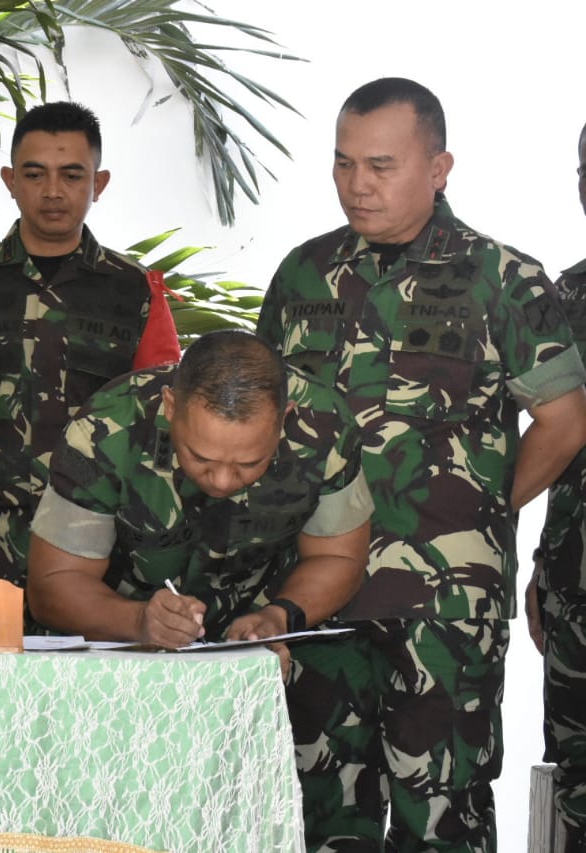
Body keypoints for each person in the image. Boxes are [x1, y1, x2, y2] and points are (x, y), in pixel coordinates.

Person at [257, 78, 586, 851]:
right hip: (315, 596)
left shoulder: (502, 278)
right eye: (342, 164)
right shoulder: (304, 275)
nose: (356, 186)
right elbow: (264, 418)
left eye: (380, 165)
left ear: (439, 167)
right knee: (320, 802)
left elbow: (564, 422)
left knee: (441, 810)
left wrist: (480, 507)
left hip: (443, 605)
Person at [0, 101, 180, 595]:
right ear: (9, 180)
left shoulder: (134, 291)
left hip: (94, 544)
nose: (52, 192)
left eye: (71, 175)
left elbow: (166, 425)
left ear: (99, 183)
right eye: (34, 173)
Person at [26, 330, 370, 651]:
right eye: (200, 457)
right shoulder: (106, 427)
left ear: (284, 420)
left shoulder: (325, 428)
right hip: (117, 639)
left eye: (248, 464)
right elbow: (53, 584)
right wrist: (139, 622)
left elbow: (338, 556)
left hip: (260, 640)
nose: (221, 480)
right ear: (171, 406)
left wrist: (278, 617)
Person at [528, 120, 586, 849]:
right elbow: (554, 439)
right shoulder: (565, 297)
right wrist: (543, 565)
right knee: (575, 771)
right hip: (576, 585)